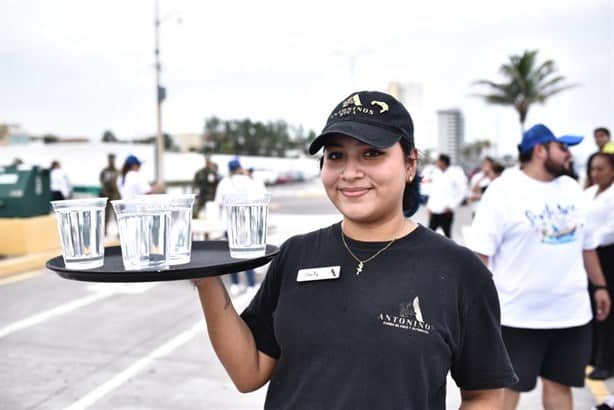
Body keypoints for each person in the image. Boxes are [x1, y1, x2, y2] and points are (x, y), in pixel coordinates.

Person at [194, 90, 517, 409]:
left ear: (410, 164)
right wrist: (205, 276)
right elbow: (248, 372)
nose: (349, 173)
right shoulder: (295, 255)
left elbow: (485, 394)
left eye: (371, 153)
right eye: (336, 156)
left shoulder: (459, 270)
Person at [468, 123, 611, 410]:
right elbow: (480, 255)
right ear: (540, 150)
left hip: (570, 316)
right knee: (505, 392)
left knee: (559, 386)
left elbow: (587, 245)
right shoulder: (503, 191)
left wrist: (600, 286)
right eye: (563, 148)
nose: (569, 155)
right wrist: (474, 311)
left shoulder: (572, 189)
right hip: (517, 317)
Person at [214, 158, 266, 296]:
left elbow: (218, 203)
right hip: (247, 224)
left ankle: (235, 284)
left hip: (229, 225)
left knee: (232, 256)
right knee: (248, 255)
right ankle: (251, 284)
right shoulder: (248, 181)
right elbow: (260, 198)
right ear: (240, 168)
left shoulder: (223, 183)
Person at [584, 153, 614, 381]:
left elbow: (610, 230)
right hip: (587, 254)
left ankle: (607, 362)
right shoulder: (588, 193)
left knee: (607, 311)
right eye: (592, 169)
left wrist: (587, 239)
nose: (595, 173)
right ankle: (594, 356)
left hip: (607, 255)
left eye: (600, 169)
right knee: (593, 308)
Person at [426, 153, 466, 238]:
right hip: (435, 211)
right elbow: (434, 192)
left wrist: (452, 206)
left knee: (447, 236)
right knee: (429, 235)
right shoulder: (436, 173)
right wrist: (429, 207)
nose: (437, 163)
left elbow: (462, 191)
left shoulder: (455, 173)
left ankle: (449, 251)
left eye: (438, 161)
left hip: (446, 211)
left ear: (443, 162)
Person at [99, 154, 121, 235]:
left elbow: (120, 184)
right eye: (110, 159)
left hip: (115, 195)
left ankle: (120, 232)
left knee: (117, 214)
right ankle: (104, 232)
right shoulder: (104, 171)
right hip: (106, 195)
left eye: (113, 159)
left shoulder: (118, 171)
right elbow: (101, 181)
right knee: (106, 215)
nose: (111, 161)